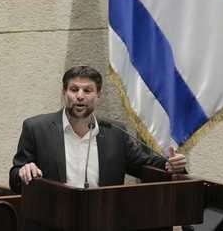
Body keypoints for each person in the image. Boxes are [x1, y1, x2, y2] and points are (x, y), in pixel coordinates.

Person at [9, 65, 187, 194]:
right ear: (64, 93)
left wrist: (168, 165)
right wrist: (23, 172)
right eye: (74, 89)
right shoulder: (36, 129)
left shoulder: (115, 132)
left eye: (87, 91)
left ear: (98, 96)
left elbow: (142, 165)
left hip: (103, 219)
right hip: (54, 220)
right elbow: (15, 178)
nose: (80, 96)